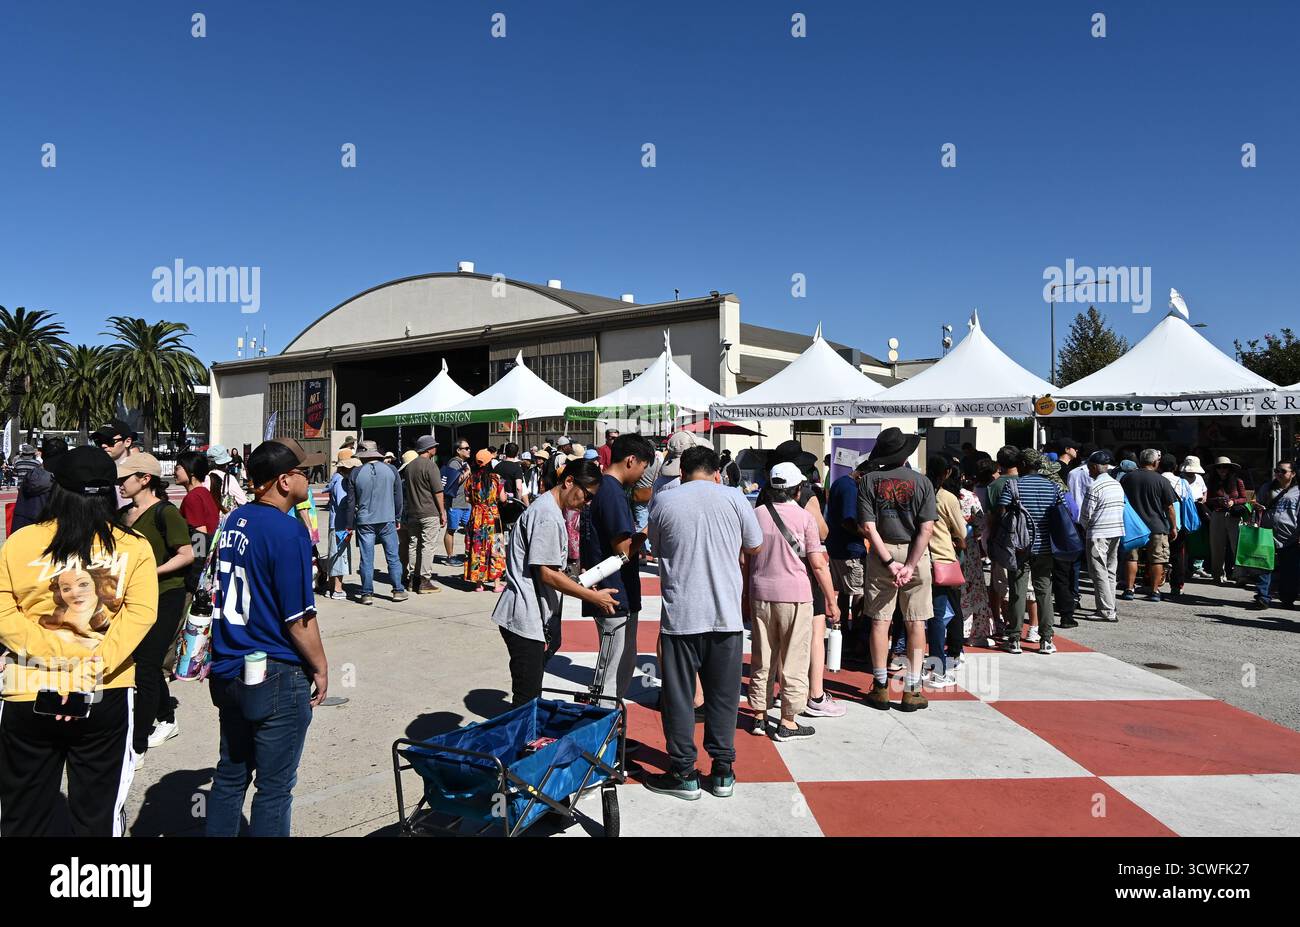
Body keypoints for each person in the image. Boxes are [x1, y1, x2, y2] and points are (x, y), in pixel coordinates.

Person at [0, 445, 158, 836]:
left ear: (57, 490)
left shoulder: (21, 542)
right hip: (104, 690)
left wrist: (53, 658)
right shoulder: (134, 545)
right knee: (97, 816)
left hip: (28, 688)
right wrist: (87, 668)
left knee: (23, 815)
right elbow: (140, 614)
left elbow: (5, 612)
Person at [206, 438, 329, 837]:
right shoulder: (288, 531)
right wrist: (320, 667)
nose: (308, 479)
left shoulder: (234, 521)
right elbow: (298, 618)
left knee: (230, 776)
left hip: (228, 665)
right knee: (274, 789)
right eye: (303, 472)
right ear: (283, 481)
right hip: (274, 670)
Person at [643, 446, 762, 800]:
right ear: (717, 473)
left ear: (682, 473)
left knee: (679, 697)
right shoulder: (735, 497)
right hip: (726, 616)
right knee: (724, 698)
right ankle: (723, 770)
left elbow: (655, 547)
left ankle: (683, 772)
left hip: (681, 616)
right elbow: (755, 545)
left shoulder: (665, 500)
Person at [492, 460, 618, 705]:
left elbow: (549, 569)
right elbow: (547, 574)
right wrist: (593, 597)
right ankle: (522, 728)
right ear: (569, 481)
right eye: (587, 495)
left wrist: (579, 583)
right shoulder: (547, 515)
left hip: (531, 615)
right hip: (525, 616)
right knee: (527, 699)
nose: (587, 502)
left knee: (530, 692)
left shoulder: (549, 509)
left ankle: (525, 724)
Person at [746, 462, 838, 740]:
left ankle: (759, 715)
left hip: (761, 592)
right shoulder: (805, 518)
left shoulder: (757, 514)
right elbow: (818, 564)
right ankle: (788, 721)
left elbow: (745, 558)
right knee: (794, 658)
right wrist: (831, 600)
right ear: (797, 490)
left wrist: (744, 595)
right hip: (796, 596)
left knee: (762, 656)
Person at [115, 452, 194, 758]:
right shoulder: (123, 514)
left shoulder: (166, 513)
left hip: (166, 595)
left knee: (147, 666)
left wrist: (150, 571)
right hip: (132, 598)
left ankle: (137, 745)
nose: (120, 484)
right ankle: (167, 717)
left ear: (145, 479)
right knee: (141, 663)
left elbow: (186, 554)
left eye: (125, 478)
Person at [857, 427, 936, 708]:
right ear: (905, 454)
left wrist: (890, 562)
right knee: (916, 621)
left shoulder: (868, 481)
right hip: (916, 551)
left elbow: (868, 527)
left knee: (880, 621)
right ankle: (911, 689)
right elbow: (927, 528)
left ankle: (880, 687)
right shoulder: (922, 482)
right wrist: (910, 564)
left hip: (882, 552)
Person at [580, 433, 655, 700]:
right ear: (631, 460)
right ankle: (604, 721)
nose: (643, 475)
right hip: (613, 592)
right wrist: (647, 531)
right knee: (611, 669)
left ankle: (610, 718)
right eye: (643, 467)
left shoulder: (605, 488)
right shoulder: (612, 492)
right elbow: (623, 550)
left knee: (620, 661)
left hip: (611, 590)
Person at [998, 448, 1066, 655]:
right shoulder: (1053, 486)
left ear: (1022, 465)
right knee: (1044, 591)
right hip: (1045, 547)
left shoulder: (1013, 485)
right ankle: (1046, 639)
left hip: (1019, 547)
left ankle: (1014, 638)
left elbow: (1002, 512)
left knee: (1018, 591)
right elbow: (1063, 512)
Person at [925, 454, 967, 686]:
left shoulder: (919, 490)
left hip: (916, 558)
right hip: (940, 558)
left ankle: (918, 662)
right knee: (939, 615)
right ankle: (937, 667)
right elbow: (962, 531)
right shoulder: (946, 497)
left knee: (914, 616)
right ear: (948, 472)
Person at [1119, 449, 1180, 602]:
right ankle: (1154, 591)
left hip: (1132, 526)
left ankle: (1129, 589)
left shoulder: (1127, 478)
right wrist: (1173, 527)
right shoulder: (1161, 480)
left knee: (1131, 558)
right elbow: (1169, 507)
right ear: (1155, 462)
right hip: (1156, 525)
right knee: (1157, 559)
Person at [352, 440, 408, 605]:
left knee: (366, 559)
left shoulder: (356, 472)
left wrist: (350, 523)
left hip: (364, 521)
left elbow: (351, 500)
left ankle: (366, 593)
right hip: (387, 518)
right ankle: (398, 590)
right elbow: (398, 497)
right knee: (393, 556)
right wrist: (397, 517)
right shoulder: (391, 470)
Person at [825, 457, 870, 665]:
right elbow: (848, 520)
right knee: (858, 592)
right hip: (850, 550)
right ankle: (855, 635)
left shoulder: (839, 483)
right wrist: (867, 534)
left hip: (836, 547)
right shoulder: (851, 489)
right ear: (861, 475)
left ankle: (842, 629)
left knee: (844, 592)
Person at [1078, 451, 1124, 622]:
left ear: (1094, 467)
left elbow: (1085, 515)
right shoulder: (1116, 484)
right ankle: (1111, 606)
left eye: (1089, 467)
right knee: (1110, 571)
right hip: (1116, 531)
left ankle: (1106, 610)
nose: (1088, 470)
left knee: (1098, 571)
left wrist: (1085, 529)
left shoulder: (1094, 487)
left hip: (1098, 533)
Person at [401, 435, 446, 594]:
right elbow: (438, 491)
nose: (436, 448)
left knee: (413, 544)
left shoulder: (410, 467)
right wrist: (442, 512)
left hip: (413, 512)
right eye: (434, 446)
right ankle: (424, 580)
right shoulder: (430, 466)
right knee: (428, 545)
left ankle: (413, 579)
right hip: (429, 511)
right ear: (429, 449)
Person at [1251, 460, 1298, 610]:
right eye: (1277, 471)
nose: (1278, 474)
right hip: (1267, 533)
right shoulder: (1267, 488)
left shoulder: (1298, 491)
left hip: (1290, 536)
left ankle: (1287, 599)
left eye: (1283, 471)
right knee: (1264, 566)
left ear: (1293, 474)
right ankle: (1263, 597)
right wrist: (1257, 508)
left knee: (1289, 570)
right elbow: (1255, 506)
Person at [958, 473, 994, 646]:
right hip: (968, 546)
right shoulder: (969, 496)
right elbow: (980, 523)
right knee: (973, 587)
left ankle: (948, 630)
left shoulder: (937, 495)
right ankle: (974, 632)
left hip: (943, 547)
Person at [465, 449, 507, 592]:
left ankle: (479, 584)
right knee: (496, 546)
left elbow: (467, 498)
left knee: (477, 546)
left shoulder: (471, 478)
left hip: (477, 516)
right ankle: (496, 584)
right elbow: (503, 498)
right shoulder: (496, 478)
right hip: (492, 516)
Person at [12, 437, 67, 532]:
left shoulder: (28, 476)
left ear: (42, 455)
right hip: (51, 534)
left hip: (24, 532)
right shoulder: (64, 482)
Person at [1206, 456, 1247, 584]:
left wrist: (1233, 501)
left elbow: (1244, 498)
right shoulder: (1212, 482)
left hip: (1234, 515)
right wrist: (1218, 501)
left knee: (1237, 546)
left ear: (1230, 468)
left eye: (1225, 467)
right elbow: (1208, 499)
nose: (1222, 469)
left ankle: (1240, 575)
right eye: (1219, 467)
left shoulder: (1238, 481)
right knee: (1217, 546)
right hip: (1217, 515)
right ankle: (1217, 575)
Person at [1159, 453, 1193, 598]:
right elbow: (1189, 501)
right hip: (1178, 523)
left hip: (1158, 522)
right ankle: (1177, 586)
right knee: (1178, 555)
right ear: (1176, 467)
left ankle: (1153, 583)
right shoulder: (1183, 482)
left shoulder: (1156, 479)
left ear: (1159, 466)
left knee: (1155, 554)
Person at [325, 456, 359, 599]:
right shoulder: (341, 481)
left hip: (336, 523)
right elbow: (342, 503)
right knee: (340, 555)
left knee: (334, 553)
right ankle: (337, 589)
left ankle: (331, 587)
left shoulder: (336, 478)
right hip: (340, 524)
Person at [175, 450, 220, 540]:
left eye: (177, 468)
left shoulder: (193, 497)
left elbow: (199, 535)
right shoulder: (204, 492)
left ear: (191, 470)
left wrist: (198, 551)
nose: (174, 472)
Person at [442, 438, 473, 566]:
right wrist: (468, 472)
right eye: (466, 448)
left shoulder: (463, 463)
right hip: (455, 502)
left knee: (469, 528)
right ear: (458, 450)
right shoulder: (454, 463)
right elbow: (455, 481)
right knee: (451, 529)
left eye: (469, 448)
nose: (469, 450)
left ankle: (470, 553)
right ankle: (450, 557)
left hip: (466, 502)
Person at [1181, 456, 1210, 578]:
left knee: (1199, 539)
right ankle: (1185, 567)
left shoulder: (1199, 478)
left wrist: (1204, 498)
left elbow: (1204, 490)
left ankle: (1198, 566)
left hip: (1198, 508)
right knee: (1186, 539)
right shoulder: (1180, 479)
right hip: (1186, 509)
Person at [206, 443, 249, 513]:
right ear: (226, 463)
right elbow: (243, 501)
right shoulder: (229, 479)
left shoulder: (203, 478)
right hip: (222, 517)